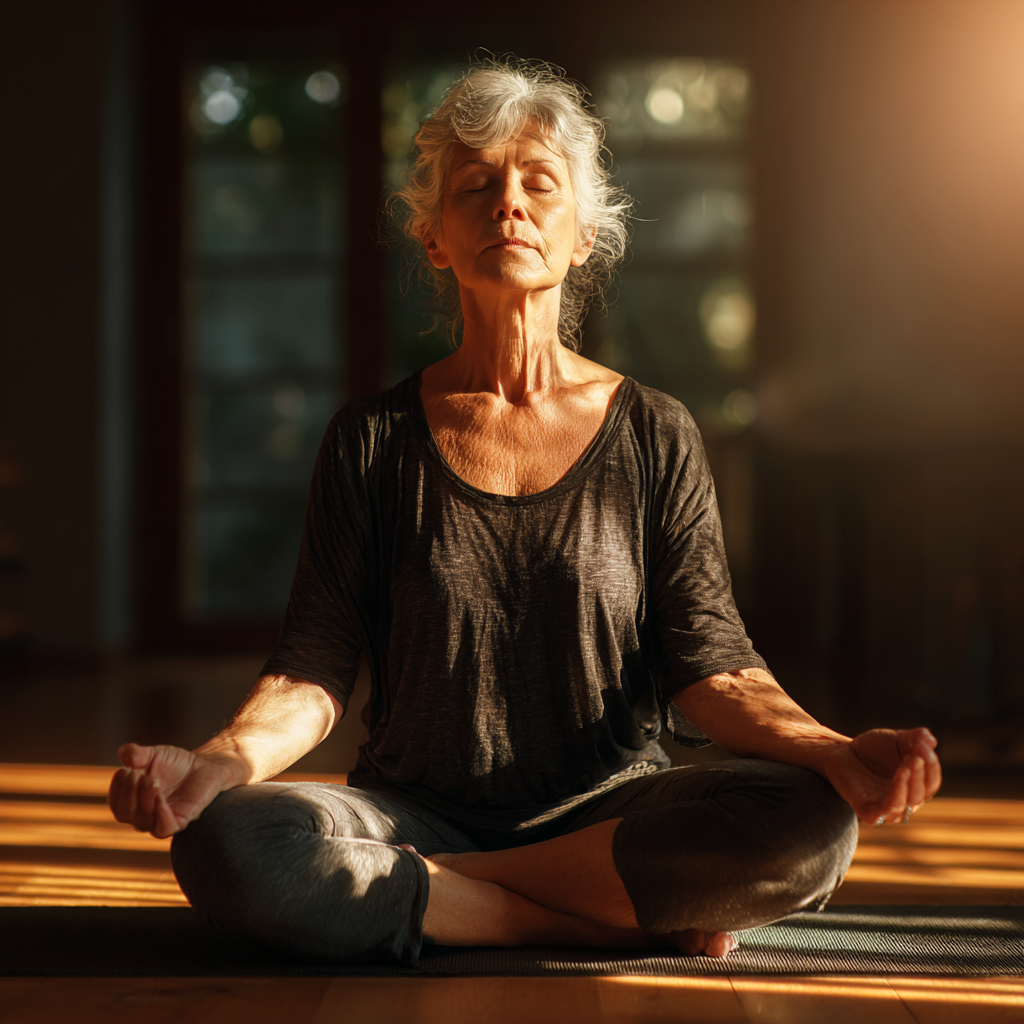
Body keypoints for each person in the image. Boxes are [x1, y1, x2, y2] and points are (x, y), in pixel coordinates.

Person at [108, 60, 942, 966]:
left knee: (813, 825)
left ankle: (448, 896)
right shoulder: (371, 440)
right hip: (408, 813)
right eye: (476, 187)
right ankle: (570, 919)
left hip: (608, 811)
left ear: (584, 235)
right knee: (229, 839)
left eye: (540, 183)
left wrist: (830, 750)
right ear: (435, 238)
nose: (509, 202)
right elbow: (310, 670)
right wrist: (217, 764)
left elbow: (716, 666)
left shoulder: (656, 431)